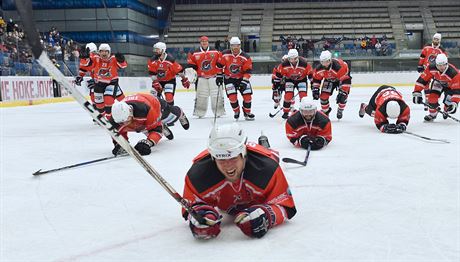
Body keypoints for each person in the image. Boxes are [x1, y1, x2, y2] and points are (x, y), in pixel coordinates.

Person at [182, 123, 296, 239]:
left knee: (272, 154)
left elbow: (285, 206)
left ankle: (264, 144)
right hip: (231, 203)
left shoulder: (267, 169)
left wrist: (267, 216)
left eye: (233, 157)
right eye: (221, 158)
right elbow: (191, 206)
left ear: (243, 153)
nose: (227, 165)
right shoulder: (198, 175)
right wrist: (201, 217)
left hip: (263, 159)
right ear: (213, 157)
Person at [110, 93, 190, 156]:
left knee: (171, 117)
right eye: (121, 122)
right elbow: (117, 133)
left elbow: (157, 130)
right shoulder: (116, 119)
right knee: (135, 127)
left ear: (130, 112)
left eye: (126, 120)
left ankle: (180, 113)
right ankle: (158, 125)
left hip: (155, 105)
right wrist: (120, 143)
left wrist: (148, 142)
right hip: (143, 116)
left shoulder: (145, 111)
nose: (124, 123)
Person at [79, 43, 127, 117]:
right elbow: (86, 64)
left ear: (109, 52)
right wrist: (84, 58)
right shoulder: (96, 58)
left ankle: (111, 119)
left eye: (106, 51)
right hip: (99, 84)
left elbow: (123, 66)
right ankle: (105, 118)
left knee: (109, 101)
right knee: (100, 106)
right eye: (102, 51)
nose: (104, 53)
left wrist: (121, 60)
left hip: (111, 83)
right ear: (99, 52)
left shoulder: (113, 59)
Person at [186, 36, 225, 118]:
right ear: (200, 42)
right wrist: (192, 72)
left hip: (214, 77)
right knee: (201, 95)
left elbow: (220, 63)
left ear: (208, 42)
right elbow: (191, 65)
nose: (204, 43)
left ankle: (219, 112)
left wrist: (220, 74)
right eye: (202, 41)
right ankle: (200, 112)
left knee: (216, 95)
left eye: (206, 41)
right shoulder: (194, 52)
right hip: (201, 77)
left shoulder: (215, 51)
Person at [413, 54, 460, 121]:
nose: (441, 67)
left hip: (451, 87)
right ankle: (433, 115)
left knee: (448, 106)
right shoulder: (431, 67)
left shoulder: (454, 73)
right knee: (431, 99)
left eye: (443, 65)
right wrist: (417, 92)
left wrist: (454, 103)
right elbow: (422, 80)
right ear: (436, 64)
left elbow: (457, 90)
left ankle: (446, 110)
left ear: (446, 63)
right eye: (439, 65)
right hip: (438, 83)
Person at [217, 37, 255, 120]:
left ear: (240, 45)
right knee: (232, 97)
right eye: (233, 45)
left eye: (237, 45)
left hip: (242, 78)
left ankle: (247, 112)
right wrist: (219, 76)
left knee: (247, 96)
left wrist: (244, 81)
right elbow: (219, 65)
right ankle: (236, 111)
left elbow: (248, 71)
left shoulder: (245, 57)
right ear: (230, 46)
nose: (235, 47)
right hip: (229, 79)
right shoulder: (224, 54)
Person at [311, 50, 352, 119]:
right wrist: (315, 88)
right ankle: (326, 112)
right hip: (329, 80)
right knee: (323, 97)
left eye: (327, 61)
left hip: (341, 80)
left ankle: (340, 110)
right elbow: (316, 79)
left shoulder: (339, 67)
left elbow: (346, 80)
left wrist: (344, 91)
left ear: (330, 60)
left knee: (343, 97)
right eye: (323, 62)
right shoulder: (318, 69)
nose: (325, 64)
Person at [148, 42, 190, 106]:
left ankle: (170, 110)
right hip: (158, 81)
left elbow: (180, 71)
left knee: (169, 97)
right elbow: (152, 73)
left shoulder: (170, 60)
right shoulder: (152, 60)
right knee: (153, 98)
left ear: (163, 50)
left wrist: (184, 79)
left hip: (169, 81)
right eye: (155, 49)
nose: (155, 51)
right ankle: (157, 111)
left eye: (157, 50)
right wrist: (155, 81)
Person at [275, 49, 313, 119]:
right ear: (288, 58)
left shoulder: (304, 63)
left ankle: (304, 112)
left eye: (294, 59)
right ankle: (286, 112)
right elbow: (278, 74)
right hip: (289, 80)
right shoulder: (284, 64)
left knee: (303, 96)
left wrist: (313, 83)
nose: (292, 61)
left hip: (302, 80)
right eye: (290, 59)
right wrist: (276, 84)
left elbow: (310, 73)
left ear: (297, 57)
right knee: (288, 96)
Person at [417, 33, 448, 110]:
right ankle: (427, 101)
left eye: (437, 39)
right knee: (425, 85)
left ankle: (434, 102)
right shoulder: (427, 47)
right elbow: (422, 57)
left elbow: (445, 61)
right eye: (435, 39)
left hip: (436, 71)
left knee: (435, 86)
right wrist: (420, 65)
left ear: (440, 40)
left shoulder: (442, 50)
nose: (435, 40)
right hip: (426, 69)